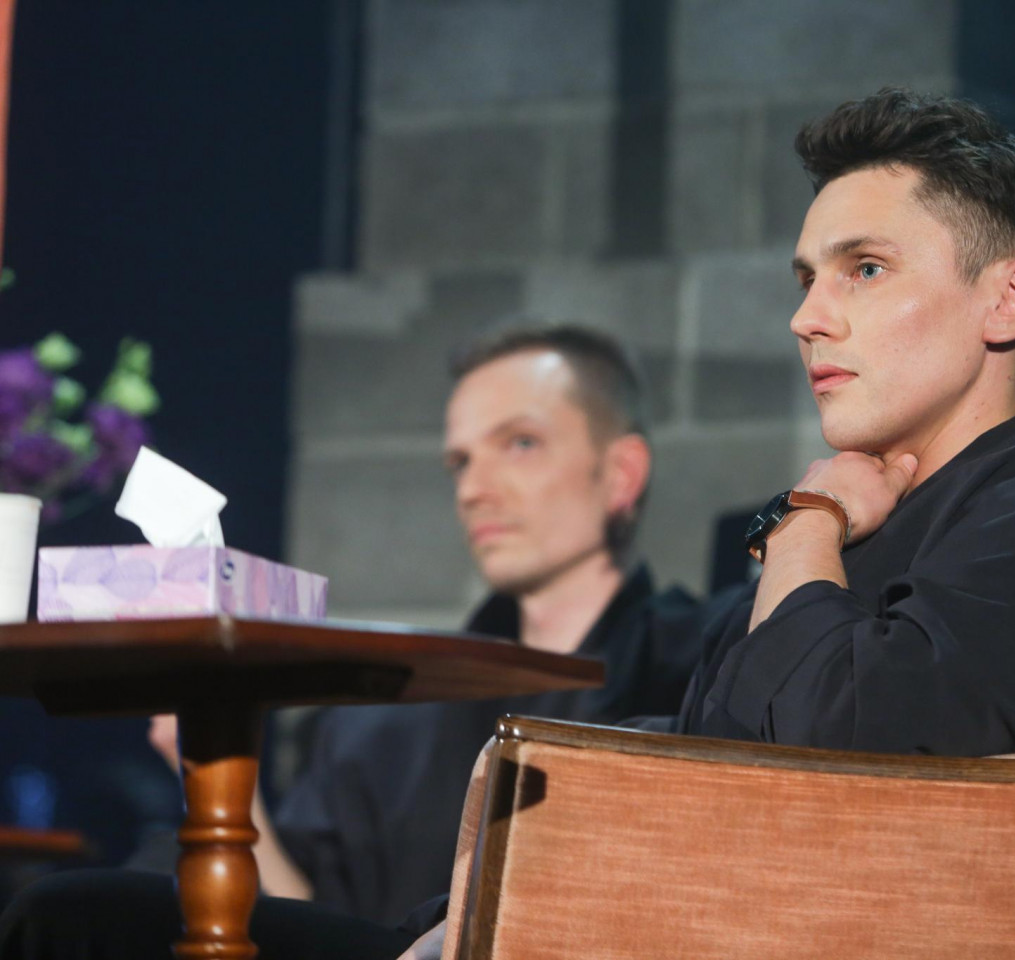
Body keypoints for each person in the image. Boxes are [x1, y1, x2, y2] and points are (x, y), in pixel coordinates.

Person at [0, 88, 1015, 960]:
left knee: (83, 925)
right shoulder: (887, 525)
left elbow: (852, 743)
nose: (808, 318)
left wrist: (810, 516)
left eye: (864, 269)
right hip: (565, 925)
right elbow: (712, 742)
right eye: (805, 278)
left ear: (1009, 298)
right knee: (82, 916)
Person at [0, 326, 708, 957]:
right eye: (460, 462)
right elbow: (309, 916)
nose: (474, 488)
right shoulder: (388, 712)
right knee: (70, 913)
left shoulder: (694, 670)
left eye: (520, 443)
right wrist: (208, 764)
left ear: (621, 474)